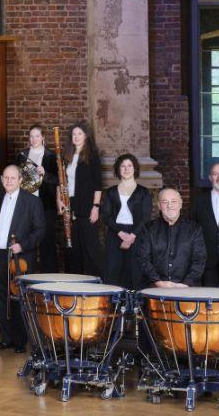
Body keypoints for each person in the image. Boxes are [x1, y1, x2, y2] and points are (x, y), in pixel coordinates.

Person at [0, 164, 45, 353]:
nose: (8, 181)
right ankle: (6, 338)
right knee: (0, 300)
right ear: (2, 180)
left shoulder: (31, 202)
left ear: (20, 180)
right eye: (5, 178)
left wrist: (22, 245)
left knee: (19, 299)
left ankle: (20, 340)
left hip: (19, 259)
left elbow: (40, 231)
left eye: (12, 178)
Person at [135, 188, 206, 288]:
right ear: (159, 205)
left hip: (188, 288)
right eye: (165, 202)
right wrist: (158, 282)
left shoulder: (194, 229)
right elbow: (143, 259)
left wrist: (186, 284)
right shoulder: (148, 229)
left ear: (180, 204)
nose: (170, 205)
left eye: (174, 201)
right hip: (154, 288)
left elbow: (199, 260)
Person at [101, 153, 151, 290]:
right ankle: (113, 307)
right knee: (113, 271)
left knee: (134, 272)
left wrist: (131, 236)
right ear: (118, 169)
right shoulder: (111, 192)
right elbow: (106, 216)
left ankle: (134, 307)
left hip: (136, 234)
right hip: (115, 234)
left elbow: (146, 217)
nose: (126, 169)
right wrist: (121, 233)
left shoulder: (144, 192)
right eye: (123, 166)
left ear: (135, 169)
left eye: (130, 166)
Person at [61, 122, 104, 276]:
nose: (76, 137)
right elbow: (63, 182)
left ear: (86, 136)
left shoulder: (92, 156)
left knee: (91, 248)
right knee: (72, 248)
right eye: (74, 134)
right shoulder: (67, 156)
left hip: (87, 207)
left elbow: (98, 185)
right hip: (70, 206)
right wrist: (60, 199)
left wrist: (96, 207)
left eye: (79, 134)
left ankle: (97, 284)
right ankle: (74, 283)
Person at [16, 125, 60, 273]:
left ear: (43, 137)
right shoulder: (21, 155)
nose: (33, 139)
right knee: (27, 240)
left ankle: (50, 278)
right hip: (26, 204)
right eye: (31, 136)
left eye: (36, 136)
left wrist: (45, 173)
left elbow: (59, 181)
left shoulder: (52, 156)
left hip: (46, 204)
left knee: (47, 241)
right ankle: (27, 275)